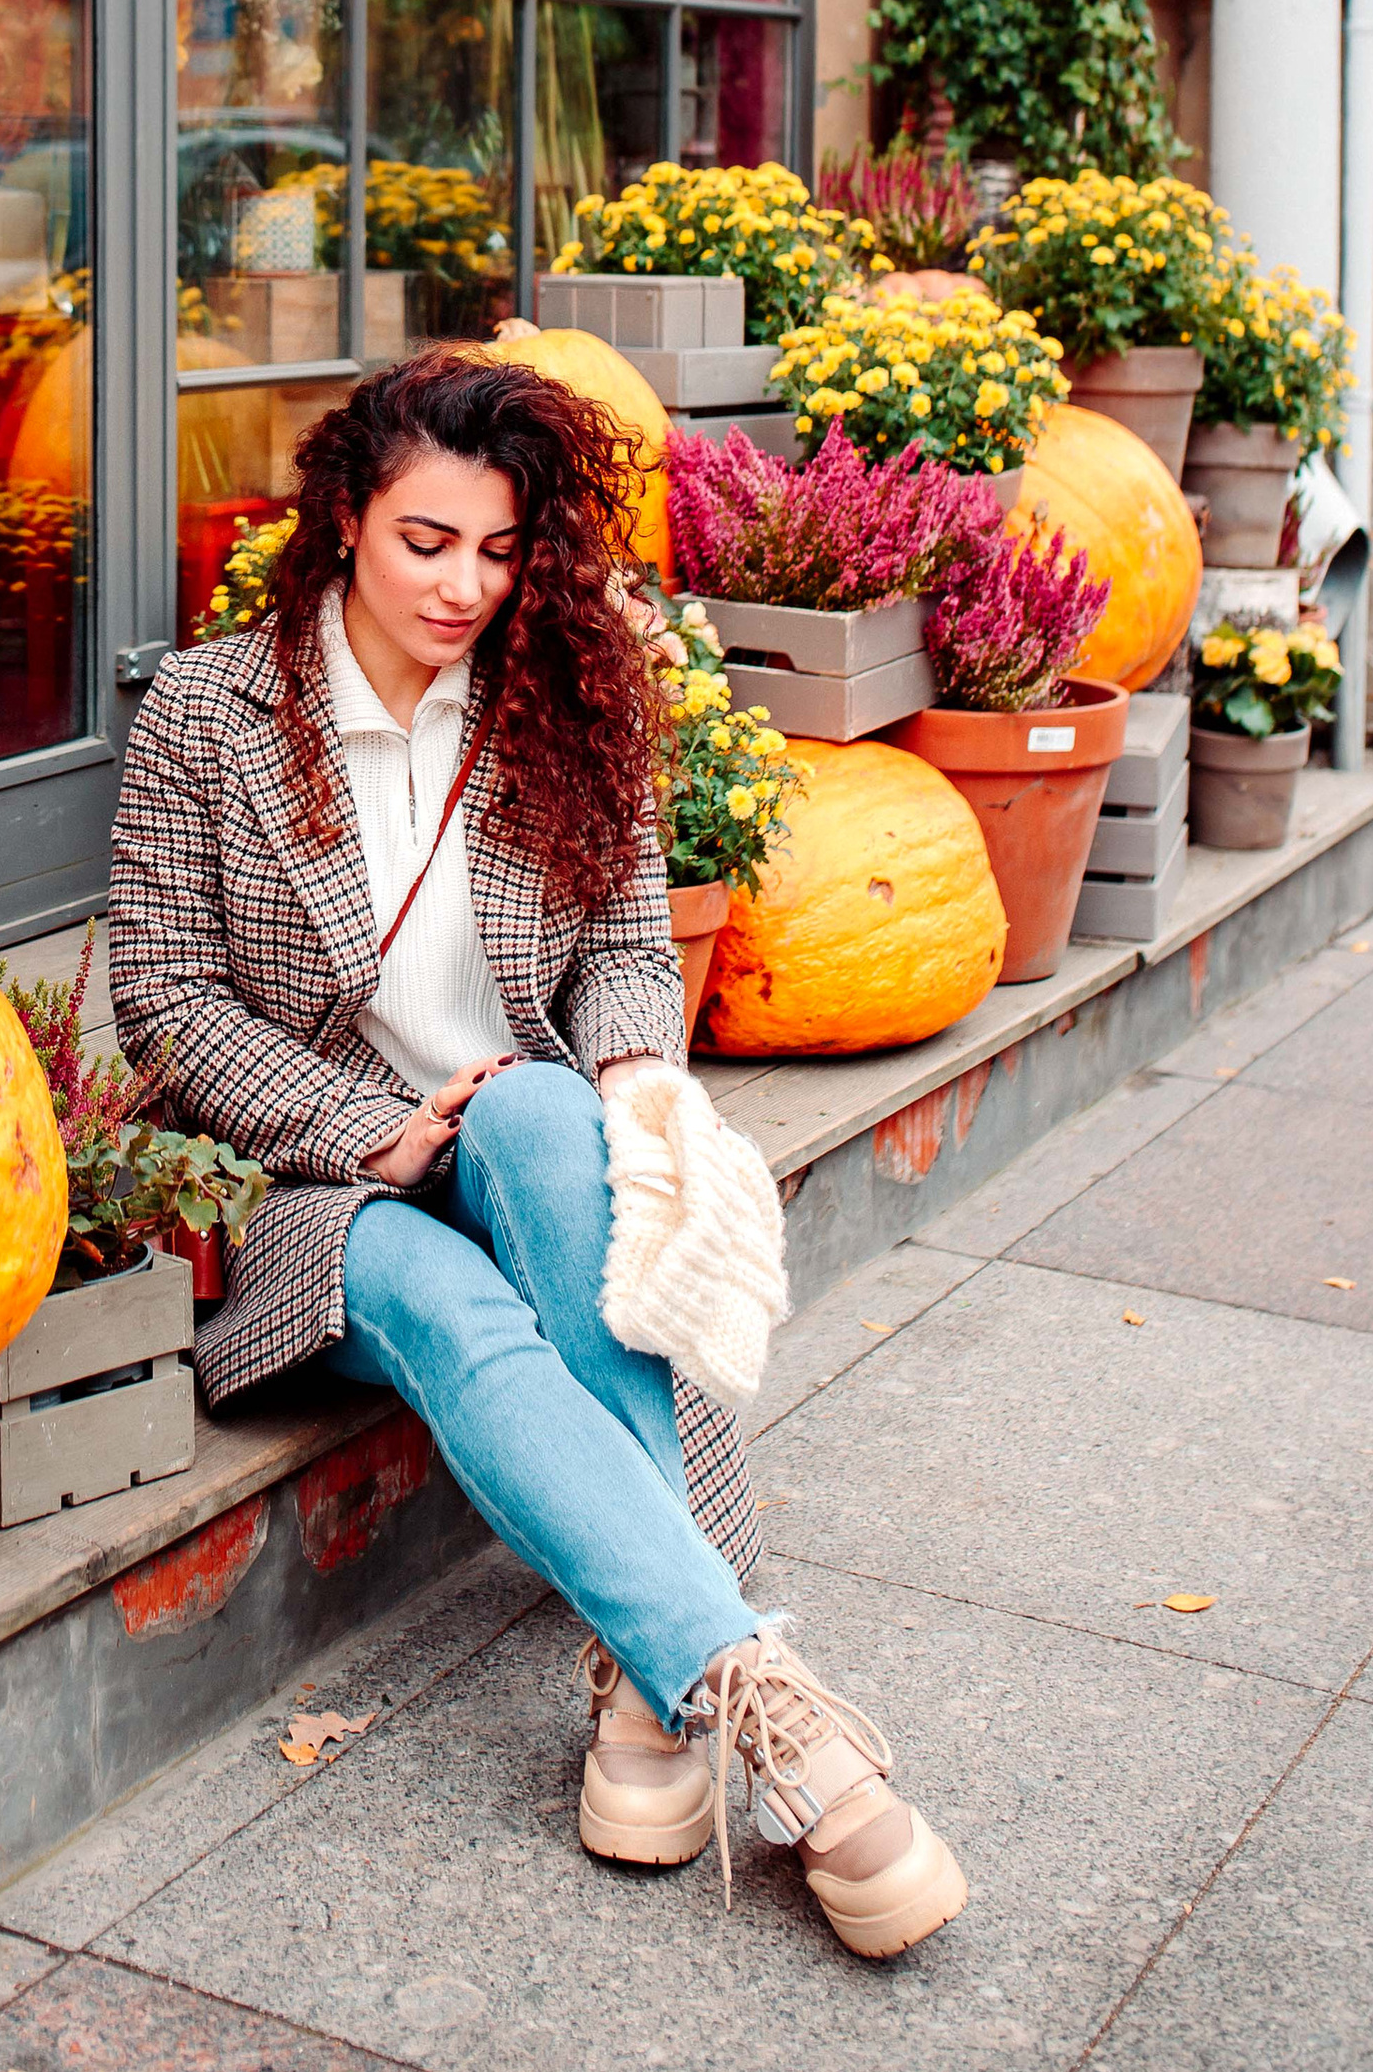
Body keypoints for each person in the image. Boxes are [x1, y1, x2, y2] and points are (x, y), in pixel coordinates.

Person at [107, 345, 966, 1963]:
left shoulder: (567, 696)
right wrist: (369, 1124)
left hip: (528, 1145)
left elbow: (632, 948)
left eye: (501, 553)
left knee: (539, 1111)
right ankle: (782, 1723)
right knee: (449, 1304)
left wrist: (638, 1069)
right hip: (318, 1191)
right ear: (350, 516)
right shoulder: (211, 718)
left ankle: (667, 1690)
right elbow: (161, 999)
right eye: (428, 541)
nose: (464, 587)